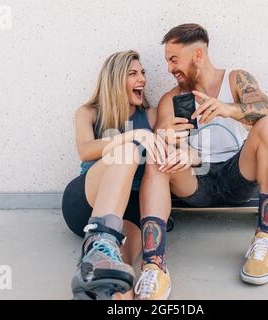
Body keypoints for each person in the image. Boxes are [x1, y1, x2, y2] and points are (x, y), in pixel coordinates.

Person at [133, 24, 268, 300]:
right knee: (158, 155)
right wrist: (172, 141)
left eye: (173, 59)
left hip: (237, 174)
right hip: (194, 180)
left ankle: (265, 240)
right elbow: (166, 140)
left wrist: (227, 109)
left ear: (197, 54)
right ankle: (154, 265)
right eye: (167, 61)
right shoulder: (172, 98)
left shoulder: (236, 79)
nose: (169, 68)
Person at [61, 50, 166, 300]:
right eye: (133, 74)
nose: (142, 78)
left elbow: (167, 151)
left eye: (143, 73)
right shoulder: (89, 112)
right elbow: (85, 150)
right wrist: (132, 135)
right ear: (115, 79)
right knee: (127, 152)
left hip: (129, 210)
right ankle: (100, 242)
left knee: (119, 274)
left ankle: (99, 278)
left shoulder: (150, 115)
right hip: (87, 201)